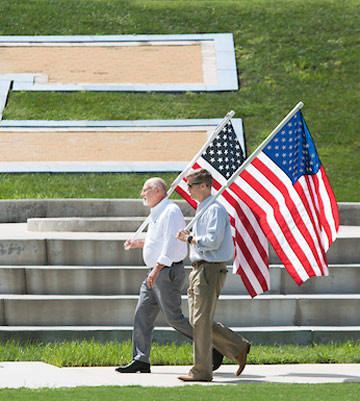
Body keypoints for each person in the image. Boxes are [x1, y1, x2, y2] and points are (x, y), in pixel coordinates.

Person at [115, 177, 223, 373]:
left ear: (157, 191)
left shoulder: (170, 211)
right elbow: (157, 240)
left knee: (174, 318)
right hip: (155, 273)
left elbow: (171, 244)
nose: (142, 194)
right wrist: (138, 244)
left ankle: (212, 347)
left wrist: (156, 269)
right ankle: (141, 359)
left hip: (165, 272)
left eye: (145, 190)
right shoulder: (157, 212)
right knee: (142, 315)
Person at [176, 168, 251, 382]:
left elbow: (213, 241)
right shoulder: (203, 207)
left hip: (210, 268)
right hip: (200, 268)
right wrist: (190, 239)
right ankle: (237, 346)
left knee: (200, 321)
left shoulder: (215, 209)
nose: (187, 189)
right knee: (197, 319)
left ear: (204, 186)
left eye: (190, 185)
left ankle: (201, 370)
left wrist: (190, 239)